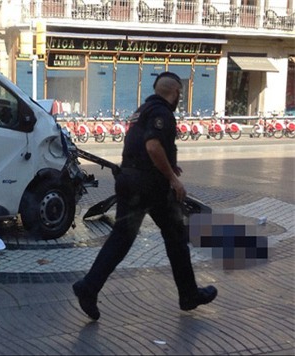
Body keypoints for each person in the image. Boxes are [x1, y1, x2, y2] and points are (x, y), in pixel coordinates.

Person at [72, 72, 217, 321]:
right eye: (179, 94)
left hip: (129, 179)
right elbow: (152, 145)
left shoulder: (142, 110)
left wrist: (169, 166)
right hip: (150, 186)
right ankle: (189, 295)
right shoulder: (163, 113)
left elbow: (141, 146)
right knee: (175, 237)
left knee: (121, 239)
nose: (179, 98)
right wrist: (172, 178)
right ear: (176, 92)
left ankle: (89, 287)